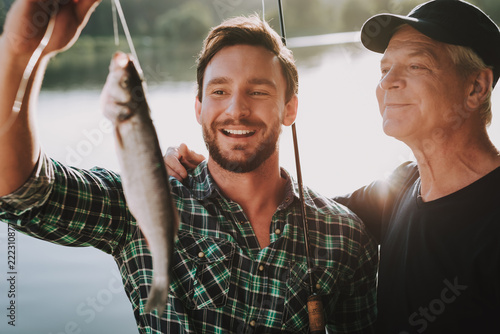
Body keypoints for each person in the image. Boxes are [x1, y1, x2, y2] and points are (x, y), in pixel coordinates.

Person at [0, 1, 378, 333]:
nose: (236, 109)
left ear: (290, 108)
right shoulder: (139, 204)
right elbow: (19, 191)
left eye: (258, 91)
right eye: (219, 91)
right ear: (198, 108)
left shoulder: (343, 235)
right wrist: (22, 54)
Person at [165, 0, 500, 333]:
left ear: (476, 87)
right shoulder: (401, 186)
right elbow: (304, 216)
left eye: (416, 66)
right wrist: (218, 169)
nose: (387, 83)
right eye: (385, 70)